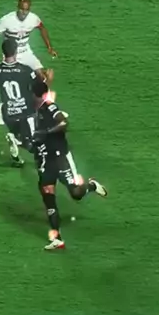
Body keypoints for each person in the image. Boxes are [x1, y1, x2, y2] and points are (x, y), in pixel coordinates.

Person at [32, 79, 107, 251]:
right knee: (48, 195)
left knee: (76, 193)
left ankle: (91, 186)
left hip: (61, 158)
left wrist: (47, 133)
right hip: (46, 160)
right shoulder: (36, 110)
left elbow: (64, 124)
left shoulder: (50, 107)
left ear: (36, 95)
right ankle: (57, 238)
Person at [0, 0, 57, 125]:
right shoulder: (7, 20)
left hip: (26, 52)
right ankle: (6, 105)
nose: (24, 13)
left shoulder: (33, 18)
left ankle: (40, 103)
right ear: (17, 8)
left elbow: (42, 28)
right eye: (22, 10)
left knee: (42, 77)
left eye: (26, 10)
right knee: (10, 79)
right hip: (11, 53)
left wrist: (49, 47)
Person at [0, 38, 37, 166]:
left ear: (3, 52)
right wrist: (48, 79)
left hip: (8, 112)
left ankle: (16, 145)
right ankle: (16, 141)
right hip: (25, 111)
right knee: (32, 144)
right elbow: (37, 89)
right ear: (16, 51)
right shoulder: (26, 70)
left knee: (20, 134)